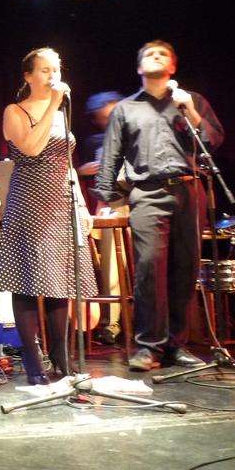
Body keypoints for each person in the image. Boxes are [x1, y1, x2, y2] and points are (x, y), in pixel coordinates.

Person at [94, 40, 224, 371]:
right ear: (139, 67)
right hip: (148, 193)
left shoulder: (191, 101)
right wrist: (110, 198)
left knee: (185, 270)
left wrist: (190, 110)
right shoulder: (125, 108)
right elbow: (111, 156)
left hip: (189, 190)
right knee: (149, 270)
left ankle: (176, 346)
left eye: (163, 54)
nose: (156, 56)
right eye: (149, 54)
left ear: (173, 67)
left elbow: (212, 141)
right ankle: (148, 346)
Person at [0, 47, 96, 385]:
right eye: (45, 70)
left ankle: (62, 360)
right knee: (25, 279)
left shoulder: (62, 113)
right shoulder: (15, 111)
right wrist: (52, 105)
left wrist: (82, 206)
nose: (53, 75)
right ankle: (34, 363)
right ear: (28, 76)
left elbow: (67, 163)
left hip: (62, 200)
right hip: (30, 201)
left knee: (59, 280)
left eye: (56, 69)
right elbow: (32, 148)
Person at [78, 91, 127, 346]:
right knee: (111, 265)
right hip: (113, 202)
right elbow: (87, 175)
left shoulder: (135, 133)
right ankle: (111, 323)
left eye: (110, 115)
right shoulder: (95, 142)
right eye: (102, 118)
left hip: (142, 199)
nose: (106, 121)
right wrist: (83, 171)